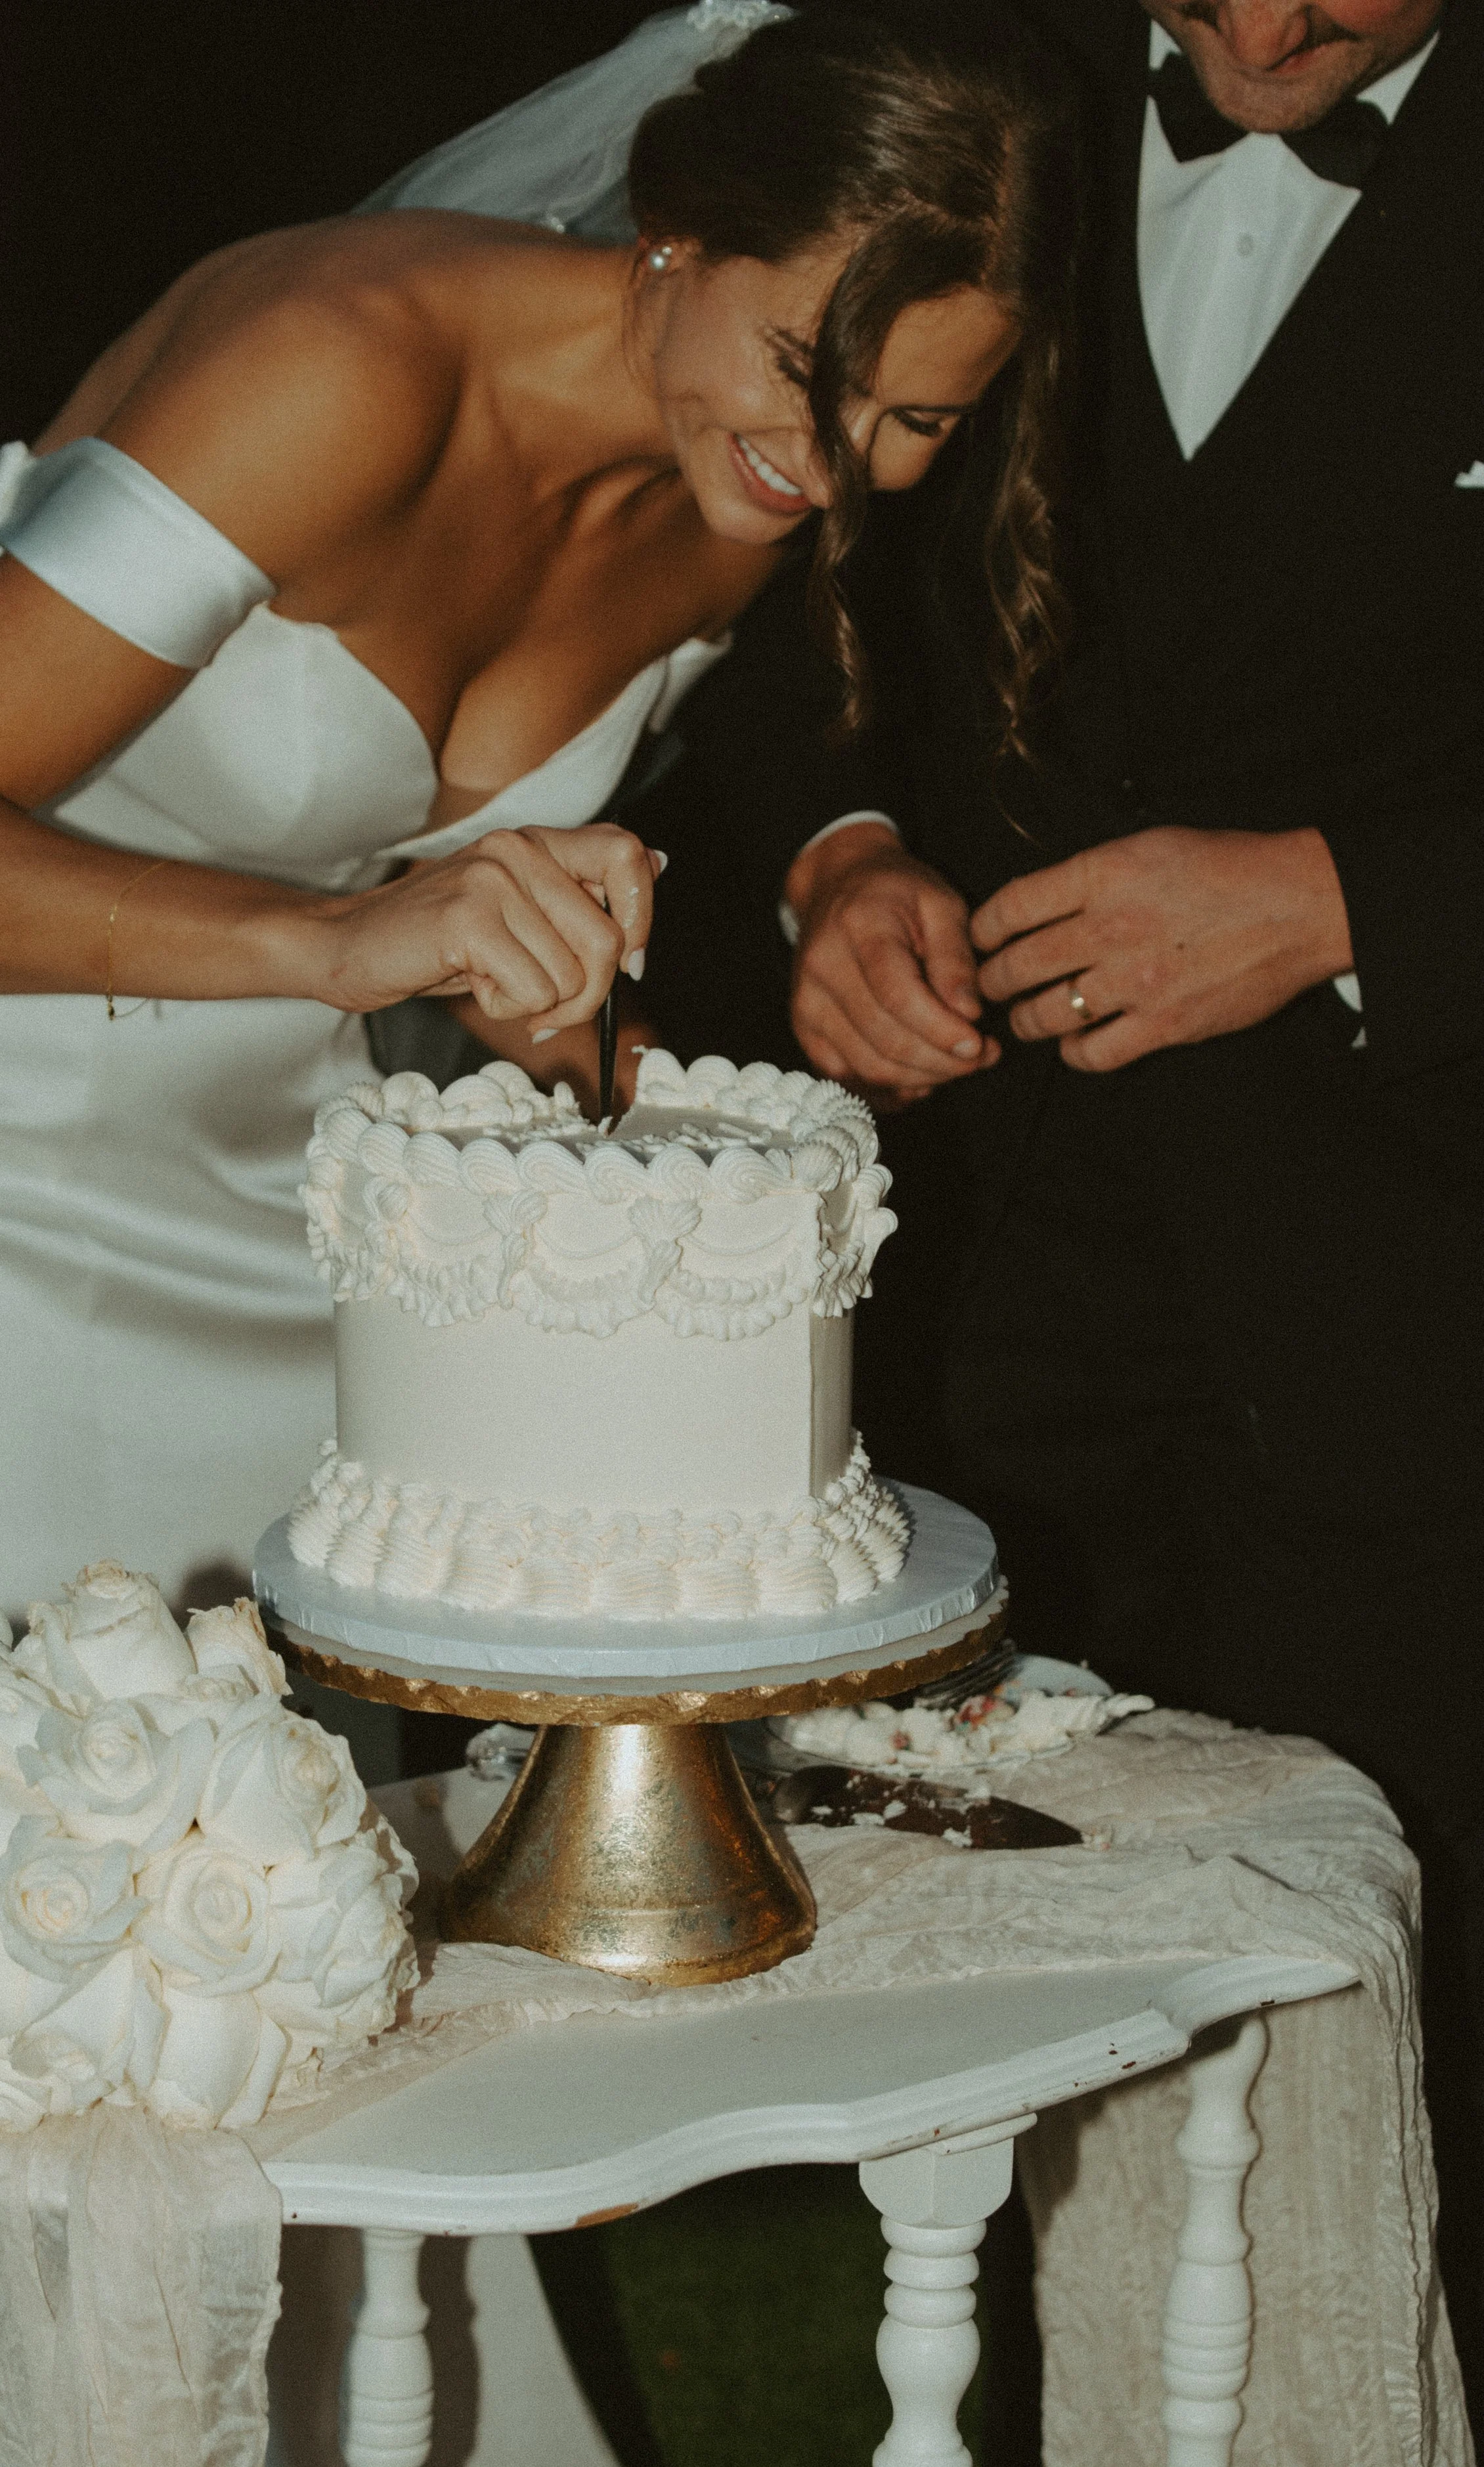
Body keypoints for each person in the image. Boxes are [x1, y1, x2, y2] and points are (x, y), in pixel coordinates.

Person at [0, 1, 1076, 1699]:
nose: (836, 462)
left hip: (275, 1245)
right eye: (807, 368)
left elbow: (443, 924)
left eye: (916, 421)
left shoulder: (734, 487)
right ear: (681, 229)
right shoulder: (341, 361)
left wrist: (579, 1032)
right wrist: (342, 941)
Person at [780, 0, 1482, 2409]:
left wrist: (1348, 899)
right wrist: (834, 855)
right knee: (1015, 2033)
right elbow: (761, 562)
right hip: (1011, 1312)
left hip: (1419, 1309)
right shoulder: (973, 104)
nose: (1266, 25)